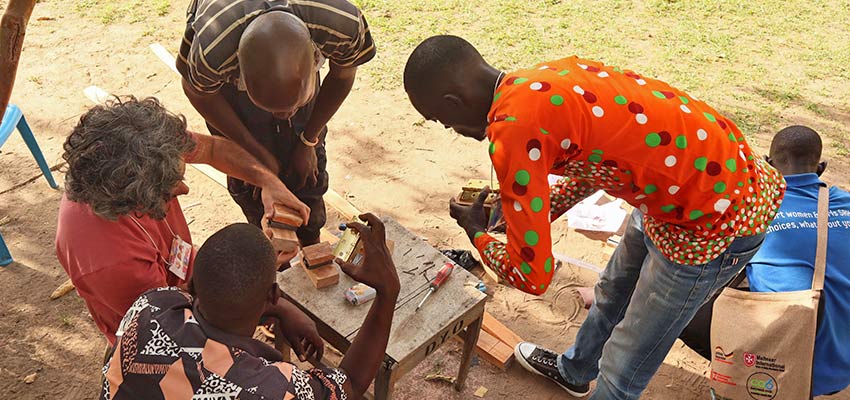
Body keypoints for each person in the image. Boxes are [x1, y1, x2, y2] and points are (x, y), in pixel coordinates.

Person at [403, 35, 785, 398]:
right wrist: (532, 210)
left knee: (627, 359)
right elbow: (601, 160)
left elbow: (533, 276)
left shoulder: (514, 131)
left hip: (713, 224)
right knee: (612, 291)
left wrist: (477, 234)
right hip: (684, 192)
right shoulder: (542, 80)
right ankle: (576, 371)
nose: (451, 129)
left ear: (453, 102)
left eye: (442, 120)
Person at [56, 97, 313, 349]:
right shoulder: (113, 262)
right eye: (170, 187)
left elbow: (213, 150)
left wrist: (268, 182)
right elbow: (178, 317)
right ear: (134, 200)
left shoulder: (146, 143)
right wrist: (255, 273)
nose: (185, 189)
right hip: (160, 330)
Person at [102, 215, 399, 399]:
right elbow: (350, 385)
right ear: (271, 293)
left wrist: (281, 309)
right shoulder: (270, 389)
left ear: (191, 284)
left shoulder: (149, 307)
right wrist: (387, 292)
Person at [177, 0, 376, 246]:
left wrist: (308, 140)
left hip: (302, 48)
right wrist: (252, 155)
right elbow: (198, 91)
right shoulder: (213, 51)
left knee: (307, 174)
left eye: (294, 105)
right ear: (241, 77)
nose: (286, 116)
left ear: (314, 59)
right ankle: (271, 250)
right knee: (250, 185)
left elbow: (343, 74)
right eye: (273, 107)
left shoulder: (341, 23)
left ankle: (310, 242)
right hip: (229, 49)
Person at [679, 125, 850, 396]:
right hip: (840, 369)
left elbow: (700, 263)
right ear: (822, 167)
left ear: (767, 164)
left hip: (780, 367)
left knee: (680, 303)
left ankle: (734, 380)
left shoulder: (753, 205)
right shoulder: (846, 203)